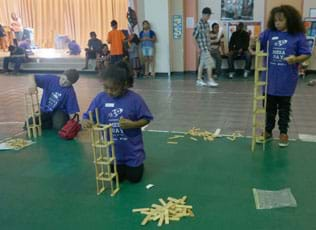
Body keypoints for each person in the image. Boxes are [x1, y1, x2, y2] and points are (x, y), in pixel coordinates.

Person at [81, 65, 153, 183]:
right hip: (114, 152)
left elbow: (146, 119)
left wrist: (133, 124)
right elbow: (88, 116)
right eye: (106, 88)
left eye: (114, 89)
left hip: (132, 152)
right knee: (116, 179)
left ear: (123, 85)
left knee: (134, 178)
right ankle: (120, 164)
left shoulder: (135, 99)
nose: (109, 92)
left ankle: (136, 165)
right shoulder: (100, 98)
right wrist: (86, 121)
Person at [259, 5, 311, 147]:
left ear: (289, 20)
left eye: (280, 20)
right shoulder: (269, 33)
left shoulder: (298, 35)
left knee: (284, 108)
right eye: (275, 20)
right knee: (268, 108)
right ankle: (268, 131)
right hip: (269, 79)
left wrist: (295, 59)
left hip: (286, 79)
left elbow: (306, 54)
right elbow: (259, 44)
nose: (277, 23)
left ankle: (283, 133)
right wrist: (253, 42)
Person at [193, 7, 218, 87]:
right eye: (208, 15)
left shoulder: (207, 24)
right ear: (204, 15)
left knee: (202, 64)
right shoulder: (198, 25)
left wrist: (209, 45)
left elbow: (207, 36)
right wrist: (197, 48)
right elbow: (194, 37)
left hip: (207, 47)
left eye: (209, 15)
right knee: (210, 63)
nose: (209, 17)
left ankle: (199, 79)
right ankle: (210, 79)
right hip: (202, 48)